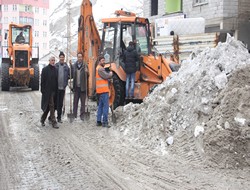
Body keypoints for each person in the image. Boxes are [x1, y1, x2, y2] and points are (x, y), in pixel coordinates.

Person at [40, 56, 58, 128]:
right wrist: (43, 91)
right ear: (49, 61)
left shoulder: (55, 70)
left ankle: (42, 119)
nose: (53, 62)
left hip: (54, 91)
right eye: (52, 60)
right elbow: (42, 81)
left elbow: (56, 81)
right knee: (51, 105)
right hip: (47, 91)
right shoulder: (45, 70)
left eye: (54, 60)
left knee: (48, 106)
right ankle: (54, 122)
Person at [96, 55, 113, 127]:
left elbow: (103, 78)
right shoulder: (100, 69)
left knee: (100, 106)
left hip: (100, 90)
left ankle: (99, 121)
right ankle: (105, 122)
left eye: (104, 60)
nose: (104, 61)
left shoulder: (98, 68)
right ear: (99, 61)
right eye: (102, 60)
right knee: (105, 106)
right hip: (104, 90)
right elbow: (106, 76)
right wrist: (111, 74)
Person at [71, 52, 89, 120]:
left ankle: (82, 115)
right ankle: (74, 115)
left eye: (81, 57)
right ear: (77, 57)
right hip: (76, 87)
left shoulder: (85, 65)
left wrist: (87, 72)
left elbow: (88, 76)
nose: (80, 58)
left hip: (83, 87)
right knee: (75, 102)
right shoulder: (74, 65)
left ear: (82, 57)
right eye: (78, 57)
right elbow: (71, 74)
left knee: (83, 103)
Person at [55, 51, 70, 123]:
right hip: (56, 88)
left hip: (62, 88)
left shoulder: (66, 66)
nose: (61, 58)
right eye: (60, 57)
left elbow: (70, 75)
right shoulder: (56, 66)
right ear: (59, 58)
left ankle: (59, 117)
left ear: (64, 58)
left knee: (60, 103)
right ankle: (51, 116)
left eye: (63, 57)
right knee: (55, 103)